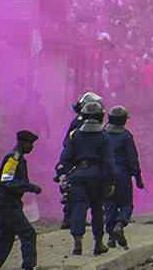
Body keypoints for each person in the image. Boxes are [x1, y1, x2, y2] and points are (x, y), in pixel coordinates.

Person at [60, 102, 116, 256]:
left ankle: (77, 243)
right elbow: (109, 162)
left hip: (77, 176)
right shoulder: (104, 136)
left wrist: (62, 174)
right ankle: (98, 243)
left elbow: (65, 158)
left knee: (79, 208)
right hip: (97, 177)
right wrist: (111, 181)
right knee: (97, 210)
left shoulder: (75, 135)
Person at [0, 130, 41, 270]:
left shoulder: (18, 158)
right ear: (22, 143)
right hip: (7, 202)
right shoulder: (14, 158)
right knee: (28, 234)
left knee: (5, 238)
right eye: (30, 144)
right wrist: (30, 187)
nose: (32, 147)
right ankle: (29, 266)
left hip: (7, 202)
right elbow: (7, 181)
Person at [57, 92, 104, 229]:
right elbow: (71, 142)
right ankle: (70, 220)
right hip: (77, 161)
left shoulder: (80, 120)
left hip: (74, 159)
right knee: (74, 193)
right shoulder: (80, 122)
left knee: (74, 192)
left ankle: (71, 219)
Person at [103, 107, 144, 249]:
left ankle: (110, 238)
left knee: (109, 205)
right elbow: (133, 159)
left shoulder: (103, 134)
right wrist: (138, 177)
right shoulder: (126, 136)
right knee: (126, 204)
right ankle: (120, 224)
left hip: (106, 175)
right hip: (122, 175)